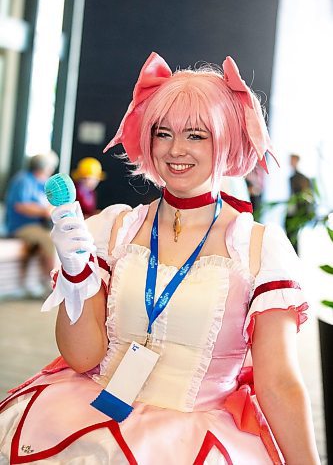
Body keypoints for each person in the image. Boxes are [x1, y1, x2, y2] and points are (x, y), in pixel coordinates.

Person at [0, 53, 319, 464]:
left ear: (226, 140)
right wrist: (76, 274)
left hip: (195, 440)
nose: (175, 150)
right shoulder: (114, 230)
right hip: (91, 421)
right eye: (163, 133)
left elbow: (279, 382)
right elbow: (82, 357)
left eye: (196, 135)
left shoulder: (259, 249)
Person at [4, 151, 59, 289]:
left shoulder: (42, 183)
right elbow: (20, 206)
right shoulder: (23, 180)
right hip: (21, 226)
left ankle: (38, 283)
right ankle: (51, 283)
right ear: (44, 167)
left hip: (39, 226)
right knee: (49, 240)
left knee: (54, 239)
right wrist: (43, 211)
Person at [285, 154, 315, 254]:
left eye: (292, 160)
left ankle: (294, 255)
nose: (291, 162)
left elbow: (306, 196)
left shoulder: (303, 178)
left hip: (298, 211)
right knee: (290, 233)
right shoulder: (291, 177)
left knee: (292, 234)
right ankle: (292, 254)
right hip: (293, 209)